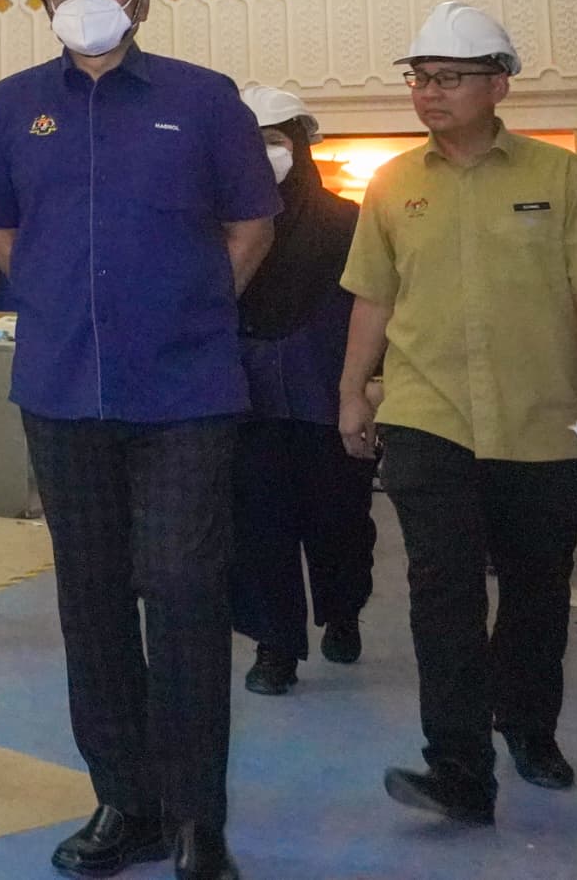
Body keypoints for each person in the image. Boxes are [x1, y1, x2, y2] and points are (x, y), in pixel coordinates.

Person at [0, 0, 279, 880]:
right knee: (91, 600)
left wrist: (187, 310)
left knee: (183, 592)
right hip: (62, 393)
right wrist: (63, 303)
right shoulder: (12, 107)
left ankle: (196, 819)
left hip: (185, 393)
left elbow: (251, 226)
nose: (87, 2)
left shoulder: (205, 98)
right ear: (45, 4)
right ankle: (125, 803)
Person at [336, 2, 577, 826]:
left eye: (449, 78)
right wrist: (352, 390)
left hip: (541, 420)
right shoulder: (392, 185)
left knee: (538, 588)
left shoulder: (561, 178)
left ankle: (530, 729)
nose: (429, 93)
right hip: (426, 417)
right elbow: (373, 297)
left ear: (499, 84)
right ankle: (459, 769)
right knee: (442, 593)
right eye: (420, 78)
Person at [229, 85, 376, 697]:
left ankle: (343, 612)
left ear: (301, 146)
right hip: (248, 403)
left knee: (340, 523)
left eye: (274, 141)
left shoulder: (349, 223)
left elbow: (376, 308)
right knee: (259, 527)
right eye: (251, 143)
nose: (264, 155)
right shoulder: (227, 226)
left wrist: (365, 389)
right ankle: (276, 647)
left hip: (328, 400)